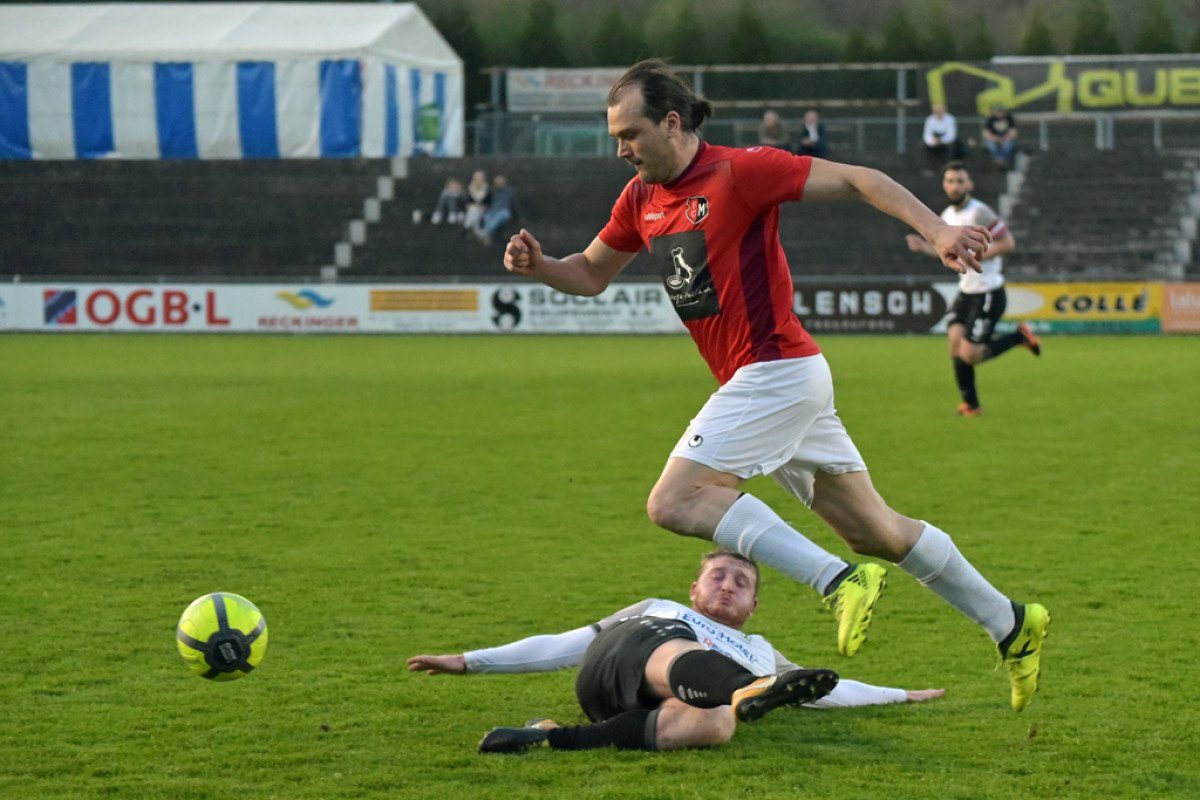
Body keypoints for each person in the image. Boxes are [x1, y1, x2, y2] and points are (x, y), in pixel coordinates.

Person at [501, 59, 1049, 713]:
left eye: (630, 133)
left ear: (671, 124)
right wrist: (541, 267)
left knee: (674, 501)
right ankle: (1012, 623)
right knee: (879, 531)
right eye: (615, 135)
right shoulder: (640, 199)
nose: (620, 148)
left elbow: (857, 179)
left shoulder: (739, 171)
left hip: (777, 371)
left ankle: (837, 580)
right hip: (776, 383)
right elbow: (589, 274)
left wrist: (937, 230)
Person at [408, 551, 946, 753]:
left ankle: (551, 738)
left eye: (741, 582)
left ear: (754, 604)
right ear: (694, 590)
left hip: (636, 712)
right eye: (717, 576)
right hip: (619, 661)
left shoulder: (761, 652)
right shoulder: (663, 607)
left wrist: (902, 694)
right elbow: (573, 645)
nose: (727, 586)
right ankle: (740, 692)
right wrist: (470, 659)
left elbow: (824, 688)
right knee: (689, 655)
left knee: (716, 726)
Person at [905, 161, 1041, 416]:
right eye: (950, 181)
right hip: (967, 291)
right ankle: (972, 405)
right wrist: (923, 248)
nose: (954, 186)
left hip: (988, 291)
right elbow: (948, 253)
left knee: (970, 353)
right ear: (944, 185)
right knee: (955, 344)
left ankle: (1018, 337)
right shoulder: (946, 216)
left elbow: (1008, 242)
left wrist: (977, 257)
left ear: (969, 185)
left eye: (959, 181)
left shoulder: (980, 213)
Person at [474, 174, 520, 246]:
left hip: (504, 211)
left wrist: (517, 215)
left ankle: (485, 233)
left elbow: (514, 203)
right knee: (487, 217)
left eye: (500, 181)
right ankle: (486, 235)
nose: (499, 183)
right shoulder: (492, 191)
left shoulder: (510, 191)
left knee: (501, 215)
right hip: (493, 210)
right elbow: (486, 201)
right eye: (497, 182)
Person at [923, 103, 964, 168]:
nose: (939, 113)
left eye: (940, 111)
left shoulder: (950, 119)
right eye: (937, 111)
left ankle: (948, 166)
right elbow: (927, 135)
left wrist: (941, 140)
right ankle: (929, 168)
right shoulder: (929, 120)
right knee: (924, 146)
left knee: (953, 146)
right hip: (934, 141)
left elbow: (951, 135)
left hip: (946, 142)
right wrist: (932, 142)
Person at [982, 104, 1019, 170]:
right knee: (991, 145)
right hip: (994, 140)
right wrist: (995, 139)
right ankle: (998, 160)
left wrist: (1005, 138)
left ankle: (1001, 160)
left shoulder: (1009, 119)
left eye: (1000, 111)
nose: (999, 113)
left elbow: (1013, 132)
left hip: (1006, 139)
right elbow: (986, 133)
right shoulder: (990, 119)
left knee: (1008, 145)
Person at [462, 169, 490, 236]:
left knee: (474, 210)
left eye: (480, 177)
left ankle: (467, 226)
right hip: (471, 208)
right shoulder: (469, 188)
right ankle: (476, 230)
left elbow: (489, 201)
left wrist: (484, 206)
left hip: (483, 209)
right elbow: (466, 200)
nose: (479, 179)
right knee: (473, 210)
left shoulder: (487, 188)